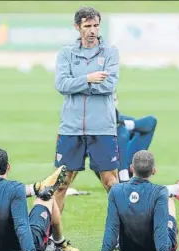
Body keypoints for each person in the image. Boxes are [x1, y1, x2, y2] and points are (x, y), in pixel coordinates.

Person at [54, 6, 120, 213]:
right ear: (77, 27)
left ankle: (125, 233)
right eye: (87, 26)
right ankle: (51, 237)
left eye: (96, 25)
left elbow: (109, 86)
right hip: (71, 128)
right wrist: (89, 79)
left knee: (111, 183)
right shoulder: (66, 54)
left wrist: (77, 83)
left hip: (102, 128)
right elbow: (61, 85)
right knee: (61, 184)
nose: (92, 30)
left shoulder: (110, 53)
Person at [91, 150, 179, 251]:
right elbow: (160, 227)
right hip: (156, 250)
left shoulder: (116, 190)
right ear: (154, 171)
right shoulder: (160, 192)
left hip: (128, 250)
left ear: (131, 168)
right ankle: (176, 190)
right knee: (168, 201)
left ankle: (177, 189)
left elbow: (111, 226)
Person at [94, 94, 157, 182]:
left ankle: (125, 175)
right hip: (107, 168)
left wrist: (122, 122)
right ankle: (123, 178)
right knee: (122, 131)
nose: (112, 103)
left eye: (114, 99)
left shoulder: (122, 120)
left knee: (148, 122)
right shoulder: (93, 123)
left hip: (128, 165)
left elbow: (150, 122)